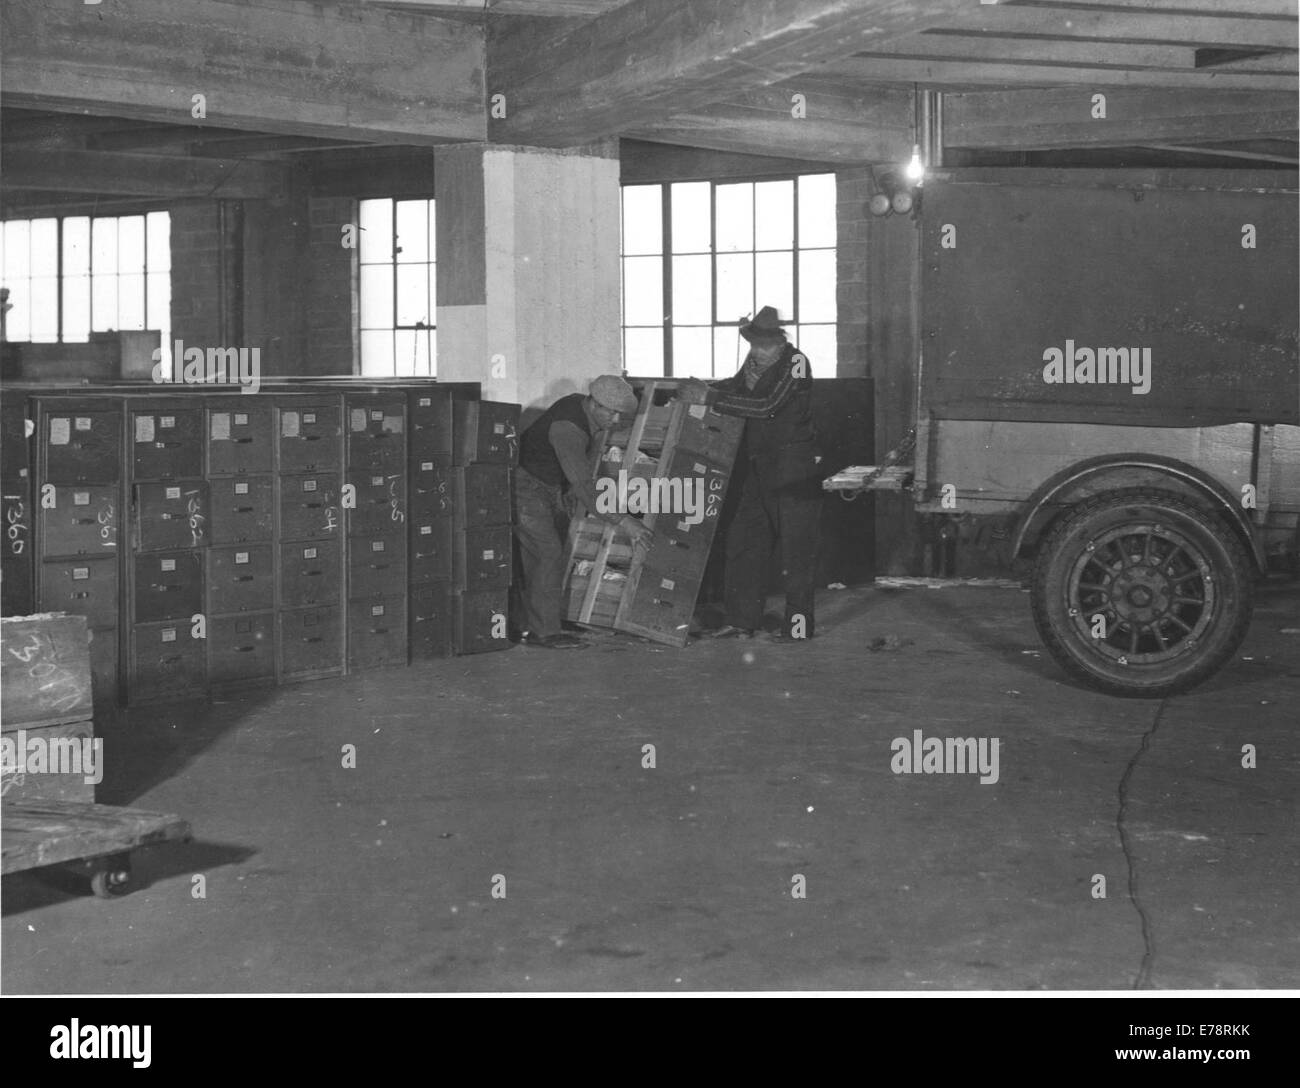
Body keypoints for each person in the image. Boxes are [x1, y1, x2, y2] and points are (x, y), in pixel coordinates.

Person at [677, 306, 823, 643]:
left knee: (797, 551)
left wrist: (711, 397)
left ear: (779, 341)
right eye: (753, 344)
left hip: (794, 471)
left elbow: (767, 406)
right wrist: (705, 387)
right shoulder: (755, 363)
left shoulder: (796, 363)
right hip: (758, 467)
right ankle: (741, 621)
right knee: (746, 542)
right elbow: (739, 389)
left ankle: (798, 628)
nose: (757, 351)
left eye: (764, 345)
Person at [514, 374, 652, 649]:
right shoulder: (568, 428)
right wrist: (624, 520)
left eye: (620, 416)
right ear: (595, 404)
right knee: (547, 553)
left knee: (546, 555)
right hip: (525, 489)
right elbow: (584, 485)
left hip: (548, 487)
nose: (615, 421)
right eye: (611, 414)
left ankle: (545, 623)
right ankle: (543, 633)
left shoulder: (579, 406)